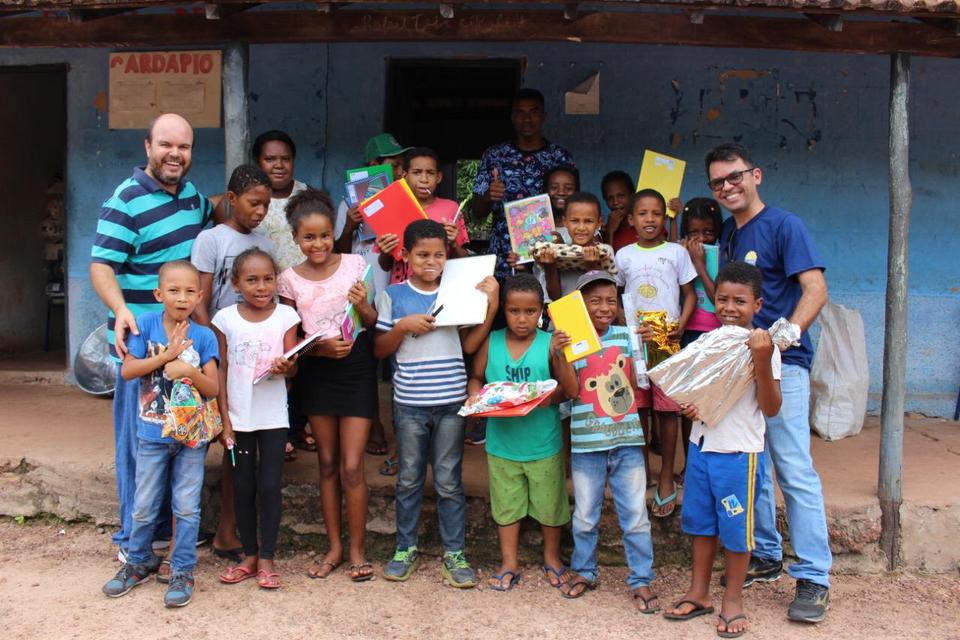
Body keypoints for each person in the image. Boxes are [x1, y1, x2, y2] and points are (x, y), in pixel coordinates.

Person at [708, 142, 831, 623]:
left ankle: (815, 576)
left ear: (755, 174)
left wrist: (787, 336)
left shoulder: (784, 225)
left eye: (734, 176)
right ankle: (764, 552)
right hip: (742, 367)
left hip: (786, 365)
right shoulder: (728, 234)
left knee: (793, 468)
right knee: (750, 462)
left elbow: (815, 289)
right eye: (718, 182)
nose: (727, 187)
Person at [89, 113, 215, 564]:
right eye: (165, 145)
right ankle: (131, 540)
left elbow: (217, 211)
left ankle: (164, 531)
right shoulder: (125, 200)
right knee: (138, 446)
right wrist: (121, 308)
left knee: (175, 433)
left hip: (181, 344)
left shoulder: (194, 200)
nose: (174, 154)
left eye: (183, 147)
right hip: (141, 343)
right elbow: (101, 265)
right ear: (147, 147)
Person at [374, 220, 499, 589]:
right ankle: (404, 548)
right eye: (423, 254)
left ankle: (454, 553)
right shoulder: (393, 296)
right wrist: (402, 327)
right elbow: (379, 349)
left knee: (448, 481)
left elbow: (470, 346)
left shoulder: (459, 290)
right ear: (406, 255)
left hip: (450, 404)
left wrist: (490, 306)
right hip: (410, 404)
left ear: (448, 256)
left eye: (439, 255)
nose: (432, 261)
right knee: (410, 477)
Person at [663, 261, 782, 638]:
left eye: (740, 301)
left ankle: (733, 599)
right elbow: (694, 391)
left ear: (758, 306)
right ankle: (699, 593)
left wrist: (761, 360)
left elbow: (771, 407)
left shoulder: (765, 346)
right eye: (722, 300)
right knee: (701, 524)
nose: (730, 308)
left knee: (735, 529)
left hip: (738, 454)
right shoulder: (707, 342)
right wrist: (688, 404)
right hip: (701, 448)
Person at [101, 261, 219, 608]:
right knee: (144, 505)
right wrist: (165, 356)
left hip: (190, 438)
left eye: (188, 292)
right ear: (158, 294)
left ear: (199, 296)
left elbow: (212, 387)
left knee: (186, 507)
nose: (181, 298)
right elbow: (129, 372)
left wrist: (186, 370)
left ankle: (182, 569)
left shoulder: (203, 335)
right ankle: (138, 561)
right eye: (173, 290)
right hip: (151, 434)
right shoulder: (146, 326)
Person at [278, 187, 378, 582]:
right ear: (296, 239)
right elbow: (290, 339)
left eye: (324, 235)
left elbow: (370, 322)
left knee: (353, 467)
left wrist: (365, 302)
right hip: (317, 373)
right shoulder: (288, 280)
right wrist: (318, 351)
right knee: (326, 463)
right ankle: (334, 548)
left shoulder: (355, 265)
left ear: (332, 234)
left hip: (355, 370)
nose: (317, 243)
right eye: (309, 237)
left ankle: (357, 550)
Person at [466, 274, 579, 591]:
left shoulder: (548, 343)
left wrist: (559, 356)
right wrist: (475, 395)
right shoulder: (492, 341)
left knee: (550, 506)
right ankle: (509, 561)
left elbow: (570, 390)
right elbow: (476, 376)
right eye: (514, 311)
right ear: (504, 309)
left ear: (541, 310)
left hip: (543, 443)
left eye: (530, 311)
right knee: (506, 506)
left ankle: (552, 558)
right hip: (502, 444)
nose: (522, 318)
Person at [558, 271, 657, 613]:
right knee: (585, 516)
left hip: (627, 442)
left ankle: (641, 578)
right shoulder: (571, 341)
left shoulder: (626, 335)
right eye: (594, 301)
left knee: (636, 516)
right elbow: (570, 391)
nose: (603, 308)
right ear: (580, 306)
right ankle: (585, 570)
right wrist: (559, 354)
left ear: (619, 305)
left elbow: (633, 384)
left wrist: (640, 348)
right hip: (586, 446)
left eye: (610, 301)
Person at [191, 164, 274, 563]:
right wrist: (216, 345)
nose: (260, 211)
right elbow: (199, 301)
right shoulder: (211, 239)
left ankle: (227, 529)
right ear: (231, 198)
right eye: (254, 203)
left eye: (267, 205)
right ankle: (179, 534)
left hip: (248, 357)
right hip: (216, 352)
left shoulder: (264, 244)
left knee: (233, 443)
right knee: (195, 441)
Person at [211, 248, 300, 589]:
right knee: (243, 487)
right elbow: (221, 370)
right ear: (236, 284)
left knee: (268, 486)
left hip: (274, 418)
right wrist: (224, 420)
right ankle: (248, 555)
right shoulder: (225, 319)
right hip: (238, 418)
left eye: (268, 278)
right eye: (252, 280)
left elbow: (295, 366)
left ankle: (267, 557)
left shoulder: (285, 317)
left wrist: (287, 366)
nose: (262, 286)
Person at [615, 189, 697, 517]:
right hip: (635, 338)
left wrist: (682, 324)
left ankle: (666, 477)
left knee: (666, 409)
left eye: (656, 214)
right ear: (632, 220)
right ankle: (642, 473)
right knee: (639, 409)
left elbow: (688, 294)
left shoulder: (676, 253)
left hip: (666, 336)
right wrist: (625, 323)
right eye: (643, 214)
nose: (650, 219)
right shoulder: (623, 255)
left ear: (664, 219)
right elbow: (617, 295)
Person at [333, 133, 409, 465]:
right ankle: (374, 423)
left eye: (401, 166)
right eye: (394, 164)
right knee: (365, 363)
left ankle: (399, 430)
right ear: (375, 166)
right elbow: (337, 251)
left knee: (396, 362)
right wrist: (350, 225)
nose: (399, 171)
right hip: (360, 292)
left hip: (393, 290)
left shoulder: (402, 200)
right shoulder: (347, 204)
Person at [248, 130, 314, 462]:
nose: (278, 165)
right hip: (266, 296)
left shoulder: (307, 196)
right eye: (270, 159)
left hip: (306, 294)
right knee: (272, 363)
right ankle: (277, 432)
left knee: (301, 363)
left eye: (284, 158)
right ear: (258, 162)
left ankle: (298, 426)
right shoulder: (254, 199)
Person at [471, 88, 575, 280]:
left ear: (544, 116)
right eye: (520, 112)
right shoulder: (495, 156)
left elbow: (572, 206)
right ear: (512, 117)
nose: (527, 119)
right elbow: (476, 212)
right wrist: (488, 197)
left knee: (546, 305)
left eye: (533, 112)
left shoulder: (559, 158)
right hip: (502, 257)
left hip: (546, 256)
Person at [676, 197, 725, 472]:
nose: (701, 238)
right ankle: (690, 464)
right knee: (687, 403)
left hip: (714, 334)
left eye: (707, 232)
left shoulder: (721, 253)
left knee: (711, 401)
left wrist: (700, 264)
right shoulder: (680, 251)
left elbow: (718, 300)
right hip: (688, 333)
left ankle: (710, 460)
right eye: (694, 233)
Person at [377, 147, 470, 284]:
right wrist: (386, 251)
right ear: (404, 175)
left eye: (430, 173)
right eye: (417, 173)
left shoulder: (451, 208)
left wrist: (454, 244)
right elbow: (384, 266)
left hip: (441, 289)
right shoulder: (391, 208)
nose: (424, 179)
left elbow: (464, 260)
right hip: (403, 292)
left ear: (439, 177)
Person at [532, 192, 612, 302]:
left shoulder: (604, 254)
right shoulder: (560, 253)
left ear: (599, 223)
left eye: (588, 221)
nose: (581, 227)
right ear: (565, 222)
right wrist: (550, 267)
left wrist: (591, 266)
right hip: (567, 316)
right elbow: (554, 296)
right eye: (575, 221)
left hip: (595, 318)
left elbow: (599, 297)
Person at [601, 170, 639, 251]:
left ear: (633, 196)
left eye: (621, 196)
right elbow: (606, 261)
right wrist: (609, 231)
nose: (615, 202)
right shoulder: (603, 231)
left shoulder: (644, 224)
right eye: (610, 198)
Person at [544, 165, 580, 232]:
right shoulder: (536, 224)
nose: (561, 193)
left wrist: (561, 243)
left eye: (568, 188)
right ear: (546, 191)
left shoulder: (584, 223)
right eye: (554, 187)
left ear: (576, 191)